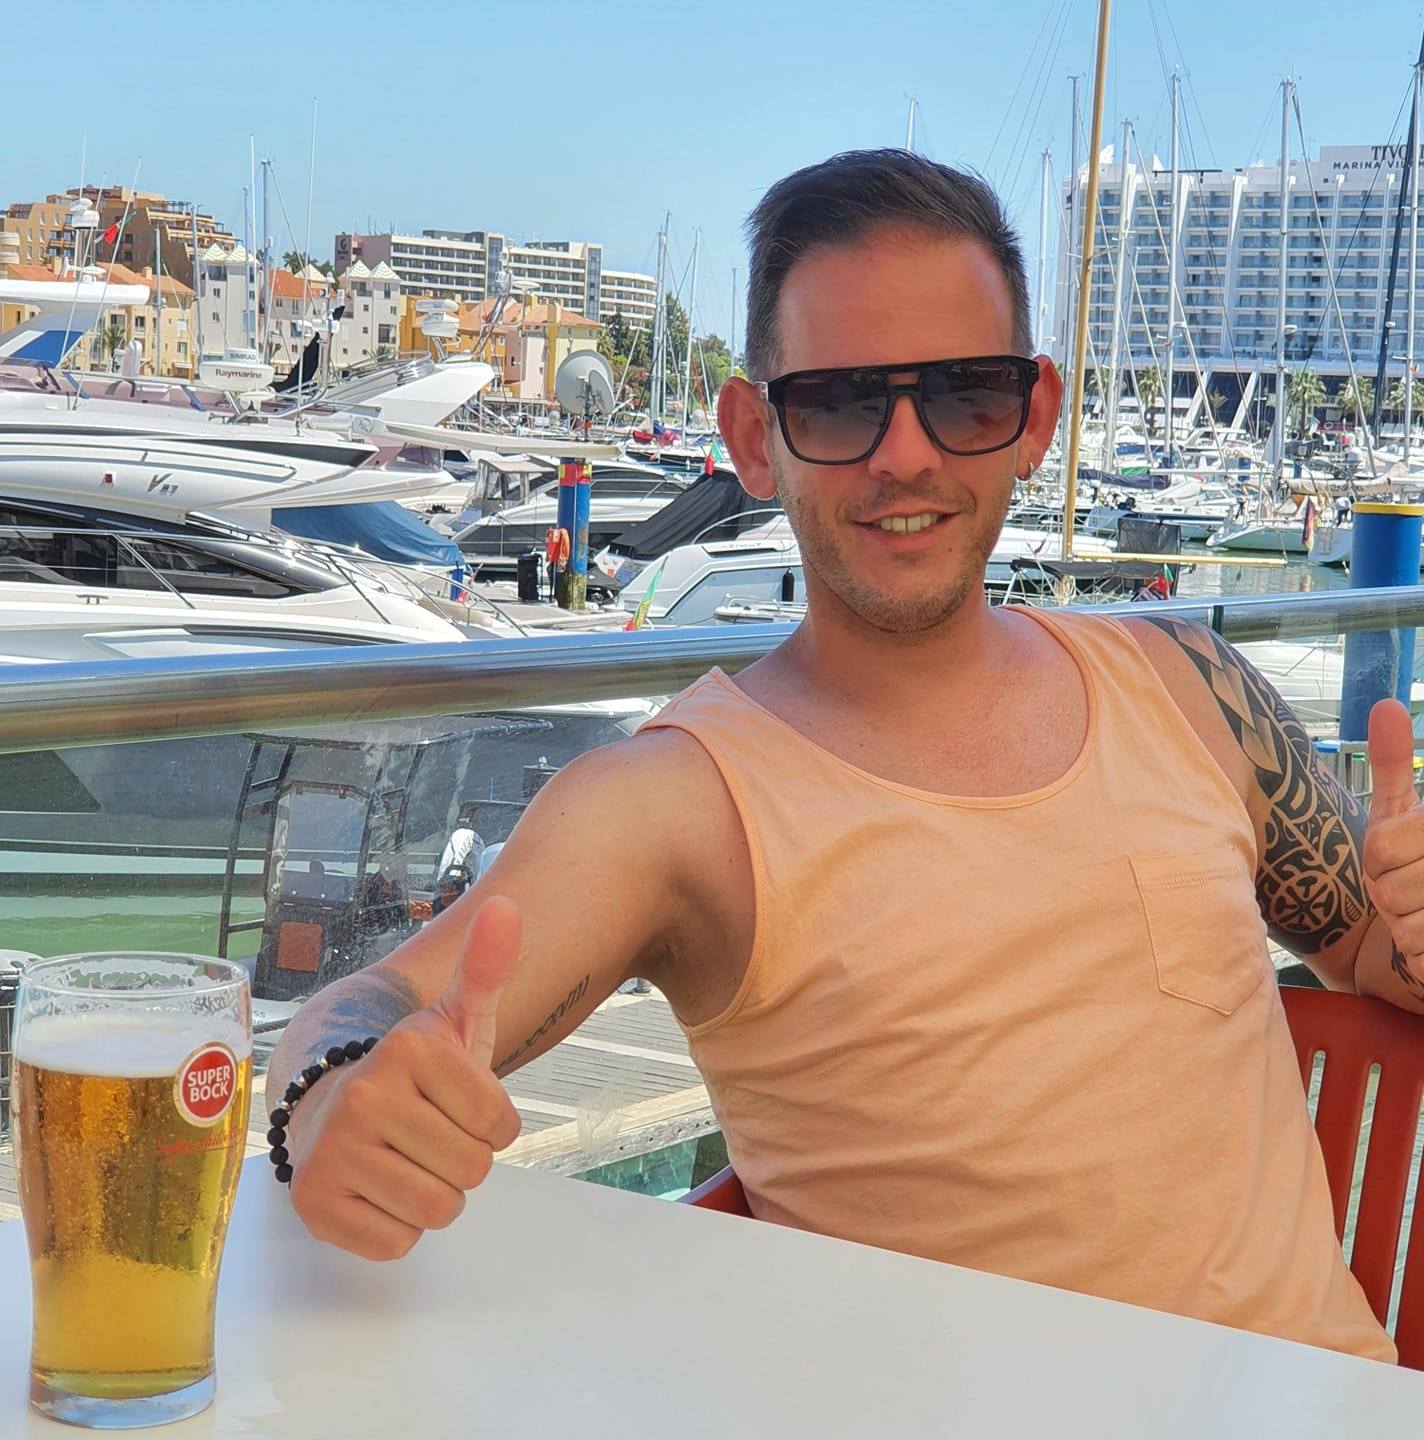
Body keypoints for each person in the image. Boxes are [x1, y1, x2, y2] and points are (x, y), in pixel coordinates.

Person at [269, 150, 1424, 1364]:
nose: (904, 456)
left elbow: (1370, 951)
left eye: (963, 395)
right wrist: (337, 1093)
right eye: (836, 402)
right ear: (752, 437)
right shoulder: (683, 806)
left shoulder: (1186, 685)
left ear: (1032, 416)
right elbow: (378, 1005)